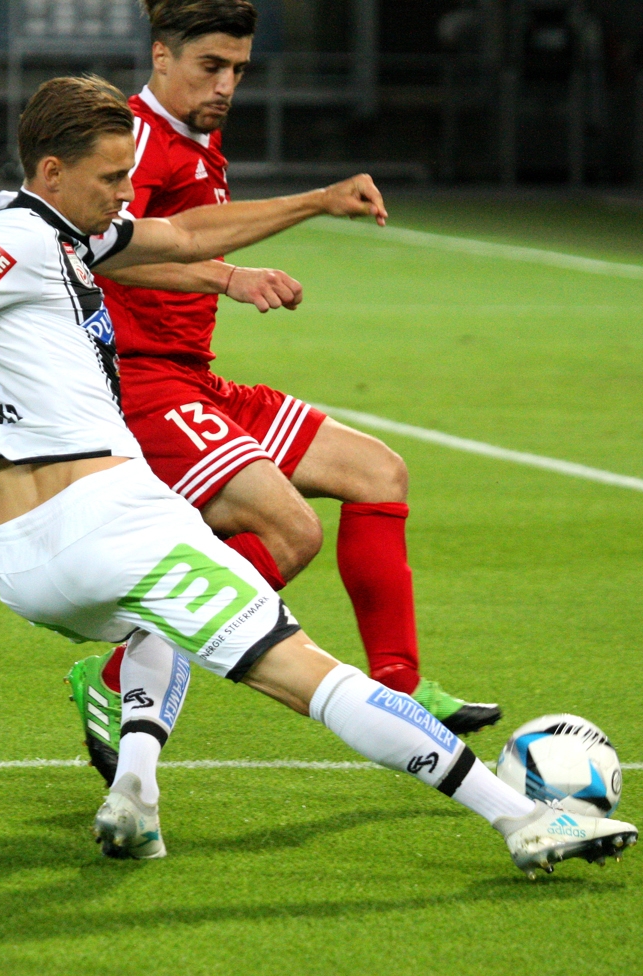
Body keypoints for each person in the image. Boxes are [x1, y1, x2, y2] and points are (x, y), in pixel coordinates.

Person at [0, 75, 636, 877]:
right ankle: (521, 817)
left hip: (26, 563)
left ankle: (133, 790)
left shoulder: (55, 235)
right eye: (110, 176)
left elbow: (187, 232)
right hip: (108, 520)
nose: (126, 191)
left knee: (176, 603)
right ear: (50, 172)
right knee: (310, 672)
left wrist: (315, 200)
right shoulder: (14, 236)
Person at [66, 0, 498, 786]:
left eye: (238, 70)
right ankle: (122, 675)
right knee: (291, 531)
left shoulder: (198, 138)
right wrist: (242, 264)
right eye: (211, 67)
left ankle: (401, 691)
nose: (227, 84)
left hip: (195, 377)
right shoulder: (133, 142)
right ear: (160, 57)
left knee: (378, 473)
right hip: (145, 384)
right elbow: (102, 252)